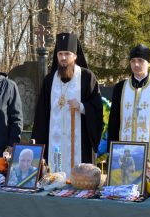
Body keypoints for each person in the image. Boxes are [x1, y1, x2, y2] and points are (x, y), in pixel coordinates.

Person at [32, 32, 103, 175]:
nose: (63, 58)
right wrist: (39, 145)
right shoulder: (49, 80)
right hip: (53, 143)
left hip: (80, 144)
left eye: (67, 54)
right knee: (53, 177)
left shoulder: (87, 77)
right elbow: (41, 115)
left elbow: (97, 109)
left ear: (75, 56)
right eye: (60, 54)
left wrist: (82, 107)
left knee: (80, 181)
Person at [108, 44, 150, 168]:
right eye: (133, 61)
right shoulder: (120, 88)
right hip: (124, 150)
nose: (136, 65)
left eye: (140, 61)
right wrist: (110, 149)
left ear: (148, 63)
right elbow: (114, 121)